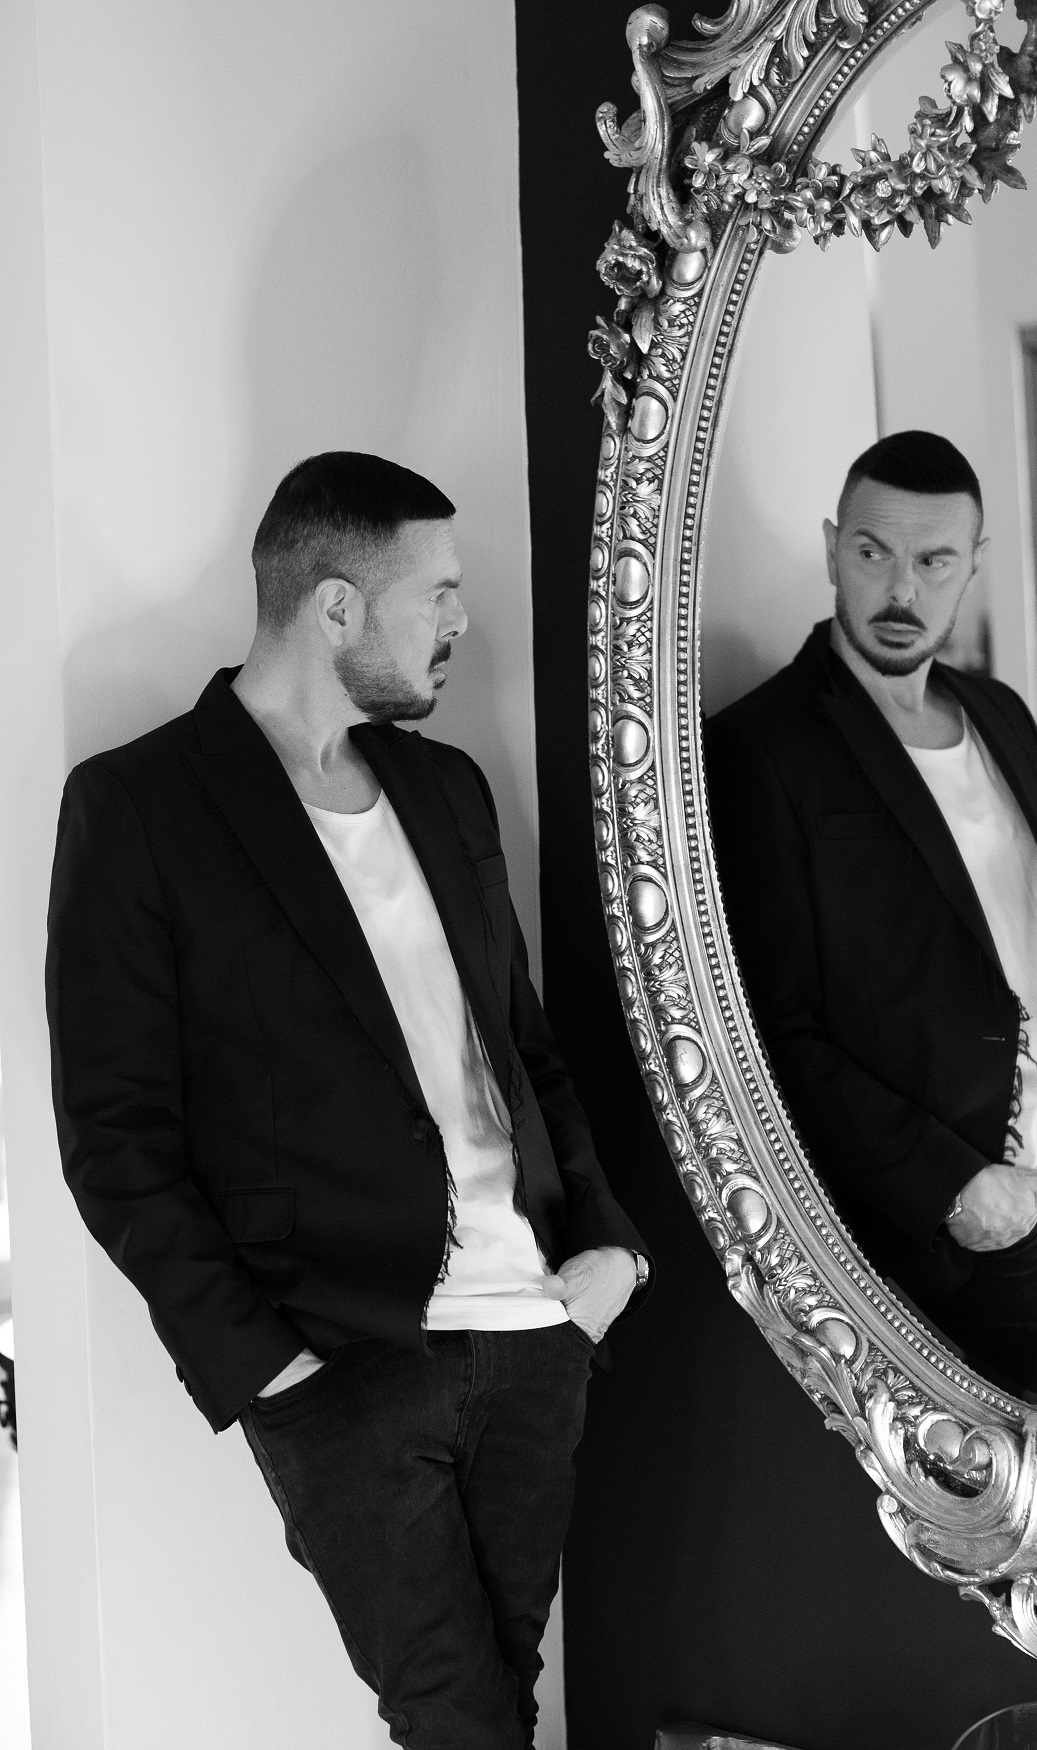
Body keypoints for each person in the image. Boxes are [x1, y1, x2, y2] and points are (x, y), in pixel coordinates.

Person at [46, 451, 651, 1748]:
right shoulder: (139, 806)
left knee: (490, 1710)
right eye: (437, 592)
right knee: (458, 1720)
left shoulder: (445, 787)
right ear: (336, 607)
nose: (461, 618)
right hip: (346, 1357)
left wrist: (606, 1246)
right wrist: (270, 1369)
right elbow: (114, 1140)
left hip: (536, 1327)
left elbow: (524, 1048)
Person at [704, 429, 1037, 1416]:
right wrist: (951, 1185)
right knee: (1032, 1517)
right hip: (995, 1226)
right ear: (832, 549)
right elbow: (777, 1031)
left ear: (973, 565)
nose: (901, 590)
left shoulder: (998, 714)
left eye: (934, 560)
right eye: (873, 552)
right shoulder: (761, 747)